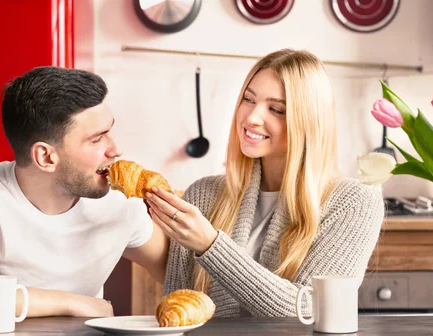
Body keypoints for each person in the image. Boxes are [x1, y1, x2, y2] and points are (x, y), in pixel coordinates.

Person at [145, 49, 384, 317]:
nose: (251, 118)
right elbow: (178, 307)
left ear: (309, 123)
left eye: (276, 109)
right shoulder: (202, 195)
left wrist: (211, 246)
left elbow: (311, 311)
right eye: (248, 99)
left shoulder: (355, 203)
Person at [0, 66, 168, 322]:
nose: (115, 150)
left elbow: (184, 279)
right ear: (46, 157)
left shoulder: (120, 203)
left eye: (109, 132)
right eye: (97, 139)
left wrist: (201, 240)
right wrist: (72, 303)